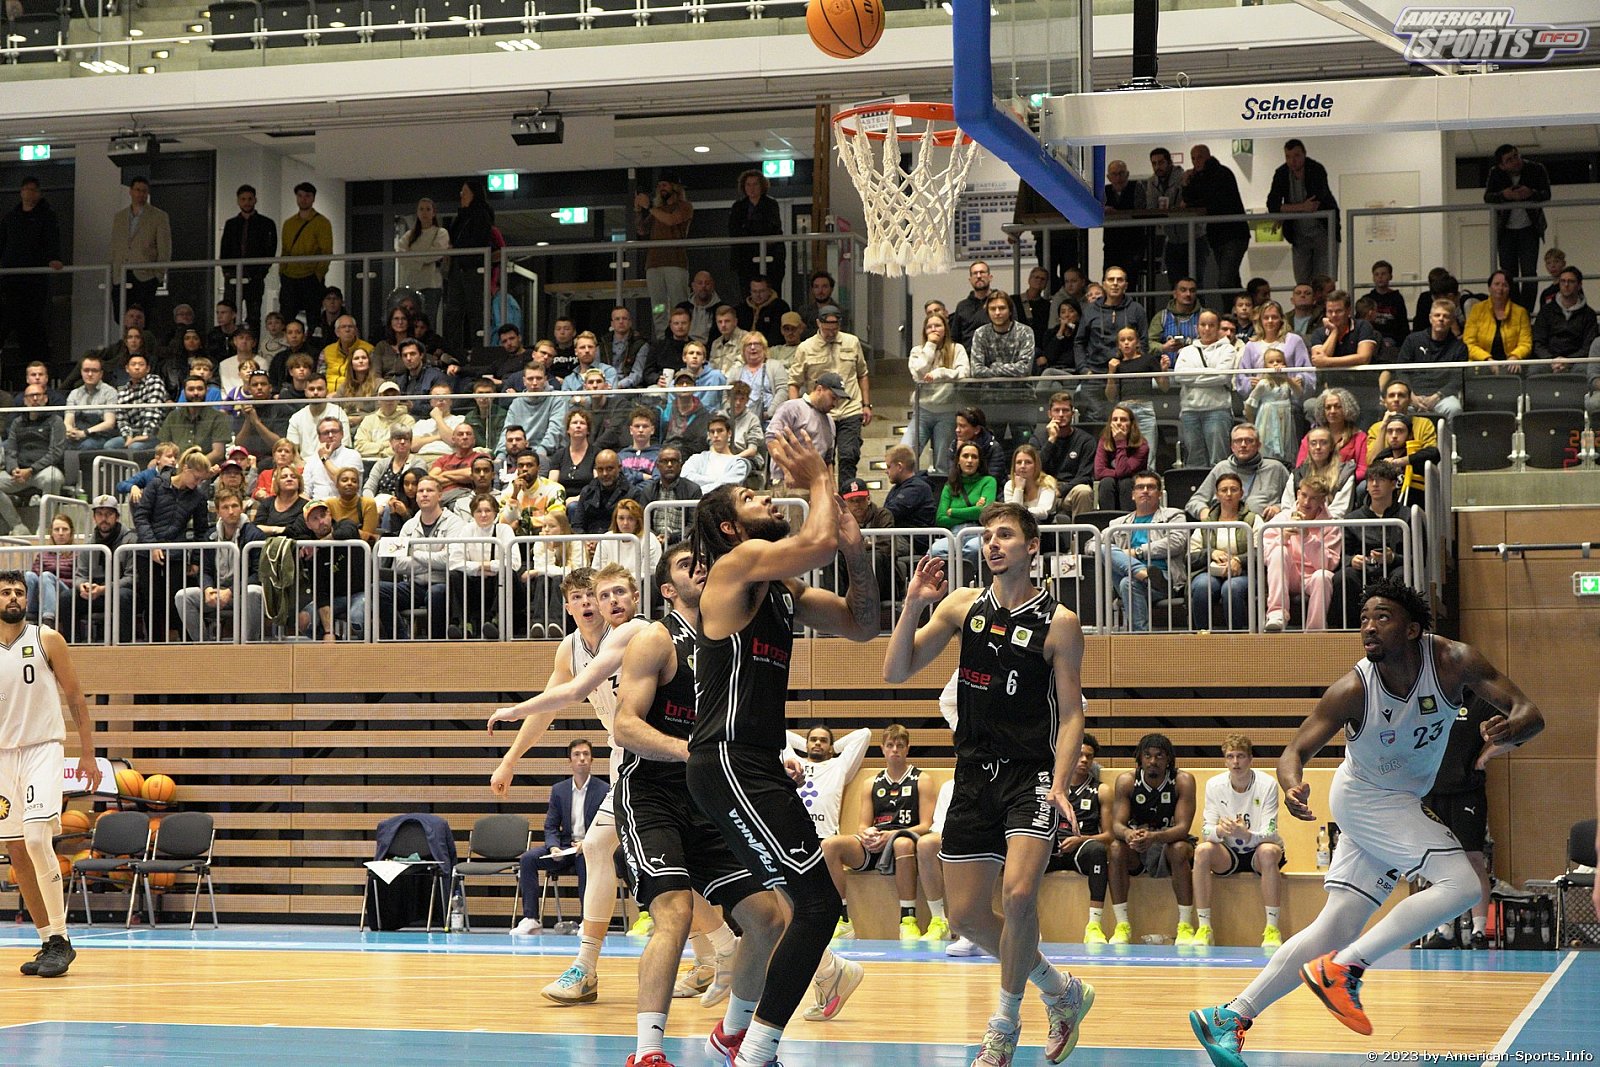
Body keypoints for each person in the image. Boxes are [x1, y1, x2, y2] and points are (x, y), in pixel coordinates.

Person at [1191, 577, 1544, 1063]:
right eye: (1364, 619)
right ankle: (1346, 969)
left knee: (1336, 926)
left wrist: (1512, 728)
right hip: (1366, 797)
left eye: (1383, 617)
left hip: (1396, 799)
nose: (1369, 627)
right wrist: (1292, 786)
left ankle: (1230, 1015)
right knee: (1462, 884)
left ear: (1413, 629)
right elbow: (1294, 751)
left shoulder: (1453, 661)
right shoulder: (1354, 688)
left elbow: (1531, 714)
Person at [684, 431, 880, 1066]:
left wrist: (856, 555)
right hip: (728, 759)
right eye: (751, 498)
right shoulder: (734, 566)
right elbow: (814, 542)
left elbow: (862, 625)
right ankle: (756, 1049)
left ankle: (735, 1037)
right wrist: (819, 479)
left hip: (754, 766)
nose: (767, 499)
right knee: (817, 904)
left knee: (787, 911)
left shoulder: (780, 591)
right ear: (728, 527)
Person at [884, 504, 1092, 1066]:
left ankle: (1003, 1026)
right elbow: (896, 671)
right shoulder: (960, 605)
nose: (992, 544)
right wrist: (913, 604)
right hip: (974, 776)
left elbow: (1072, 713)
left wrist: (1060, 783)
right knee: (967, 918)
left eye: (1005, 535)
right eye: (986, 536)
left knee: (1019, 896)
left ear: (1032, 546)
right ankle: (1061, 990)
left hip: (1031, 776)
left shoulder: (1060, 622)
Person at [491, 566, 742, 1007]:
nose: (593, 603)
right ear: (568, 607)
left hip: (659, 756)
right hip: (631, 756)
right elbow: (552, 706)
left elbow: (575, 693)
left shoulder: (635, 633)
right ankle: (715, 952)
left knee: (626, 853)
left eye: (601, 594)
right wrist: (511, 758)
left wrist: (512, 711)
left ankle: (598, 965)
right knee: (650, 860)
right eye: (582, 597)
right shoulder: (571, 649)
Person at [610, 542, 789, 1065]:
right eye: (687, 565)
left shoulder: (730, 640)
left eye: (703, 561)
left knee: (767, 920)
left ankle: (732, 1034)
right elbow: (625, 727)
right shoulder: (656, 639)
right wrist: (690, 751)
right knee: (675, 912)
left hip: (708, 798)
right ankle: (647, 1052)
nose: (701, 568)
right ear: (668, 589)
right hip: (653, 795)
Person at [0, 570, 100, 978]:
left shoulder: (47, 639)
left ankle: (61, 938)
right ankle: (46, 941)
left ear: (27, 600)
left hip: (43, 748)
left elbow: (75, 698)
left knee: (38, 837)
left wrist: (88, 754)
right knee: (17, 851)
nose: (12, 597)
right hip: (3, 757)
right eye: (5, 592)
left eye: (18, 592)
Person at [821, 724, 935, 942]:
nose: (895, 750)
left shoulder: (922, 779)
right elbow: (863, 825)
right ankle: (842, 920)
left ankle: (908, 921)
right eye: (890, 745)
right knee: (829, 845)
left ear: (907, 749)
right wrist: (867, 834)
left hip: (905, 838)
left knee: (902, 844)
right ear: (882, 749)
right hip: (877, 842)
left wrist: (893, 835)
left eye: (900, 745)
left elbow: (925, 825)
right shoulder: (871, 783)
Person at [1192, 735, 1286, 950]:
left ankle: (1272, 929)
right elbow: (1206, 830)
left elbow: (1271, 831)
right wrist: (1219, 830)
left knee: (1269, 851)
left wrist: (1247, 835)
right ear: (1225, 760)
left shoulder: (1267, 784)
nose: (1235, 762)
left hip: (1258, 852)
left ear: (1250, 759)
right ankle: (1204, 927)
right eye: (1230, 756)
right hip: (1229, 853)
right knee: (1202, 851)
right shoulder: (1214, 785)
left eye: (1241, 756)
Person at [1106, 732, 1198, 945]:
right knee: (1115, 848)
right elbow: (1117, 825)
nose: (1153, 761)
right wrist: (1129, 834)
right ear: (1139, 758)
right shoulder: (1127, 781)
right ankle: (1122, 926)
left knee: (1180, 849)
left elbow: (1183, 828)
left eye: (1159, 756)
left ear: (1169, 759)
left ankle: (1185, 926)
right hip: (1138, 846)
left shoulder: (1182, 781)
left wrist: (1154, 837)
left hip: (1168, 843)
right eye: (1147, 755)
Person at [509, 739, 608, 935]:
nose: (582, 758)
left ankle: (587, 921)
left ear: (592, 759)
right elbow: (551, 825)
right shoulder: (559, 790)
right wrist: (553, 847)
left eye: (586, 754)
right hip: (564, 846)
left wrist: (587, 843)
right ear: (569, 761)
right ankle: (531, 918)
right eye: (577, 754)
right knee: (528, 859)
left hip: (589, 847)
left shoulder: (604, 789)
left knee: (585, 860)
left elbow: (605, 825)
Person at [789, 305, 870, 485]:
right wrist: (797, 411)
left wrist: (866, 404)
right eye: (827, 329)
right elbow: (794, 382)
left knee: (849, 455)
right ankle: (825, 494)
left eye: (834, 329)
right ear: (818, 324)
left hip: (850, 409)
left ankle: (846, 495)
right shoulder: (805, 348)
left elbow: (862, 374)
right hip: (821, 412)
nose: (831, 333)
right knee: (823, 458)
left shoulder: (852, 342)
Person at [1044, 735, 1113, 944]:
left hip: (1081, 849)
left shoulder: (1101, 790)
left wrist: (1080, 840)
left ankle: (1094, 926)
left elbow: (1109, 835)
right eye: (1079, 755)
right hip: (1051, 848)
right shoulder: (1050, 788)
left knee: (1098, 851)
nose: (1084, 760)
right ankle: (1029, 925)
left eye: (1089, 757)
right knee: (1024, 853)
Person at [1103, 470, 1186, 633]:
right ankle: (1142, 573)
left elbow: (1176, 542)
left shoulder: (1173, 516)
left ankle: (1139, 638)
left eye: (1151, 487)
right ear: (1133, 494)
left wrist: (1138, 552)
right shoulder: (1118, 524)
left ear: (1160, 494)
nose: (1145, 491)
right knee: (1103, 548)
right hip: (1135, 578)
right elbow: (1090, 544)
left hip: (1164, 579)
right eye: (1140, 487)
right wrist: (1120, 555)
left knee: (1127, 583)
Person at [0, 177, 64, 376]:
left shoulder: (46, 216)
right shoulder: (11, 217)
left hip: (34, 282)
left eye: (33, 190)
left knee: (32, 324)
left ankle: (37, 368)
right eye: (26, 189)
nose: (29, 193)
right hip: (10, 281)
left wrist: (53, 258)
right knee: (8, 321)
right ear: (21, 192)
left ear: (39, 193)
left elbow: (52, 240)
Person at [1261, 477, 1342, 632]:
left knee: (1323, 576)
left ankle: (1315, 630)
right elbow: (1265, 556)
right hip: (1287, 573)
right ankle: (1277, 614)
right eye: (1304, 495)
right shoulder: (1282, 518)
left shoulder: (1331, 525)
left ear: (1322, 501)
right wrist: (1283, 538)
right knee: (1278, 551)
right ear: (1298, 494)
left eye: (1313, 498)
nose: (1306, 502)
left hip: (1312, 577)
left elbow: (1329, 564)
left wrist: (1308, 538)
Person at [1336, 459, 1407, 629]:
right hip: (1363, 571)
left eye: (1381, 480)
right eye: (1371, 480)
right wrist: (1352, 560)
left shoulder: (1408, 516)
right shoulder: (1352, 518)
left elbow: (1418, 557)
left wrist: (1393, 558)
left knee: (1402, 574)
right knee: (1344, 577)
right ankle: (1350, 629)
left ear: (1393, 484)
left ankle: (1395, 628)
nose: (1375, 484)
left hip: (1394, 569)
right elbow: (1341, 556)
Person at [1187, 472, 1260, 632]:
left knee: (1231, 587)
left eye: (1234, 489)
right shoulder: (1206, 522)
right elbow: (1190, 557)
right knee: (1202, 585)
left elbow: (1261, 551)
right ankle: (1202, 635)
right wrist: (1210, 553)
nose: (1228, 494)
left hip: (1244, 573)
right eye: (1223, 490)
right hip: (1210, 572)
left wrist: (1239, 560)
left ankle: (1235, 637)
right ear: (1216, 494)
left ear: (1241, 493)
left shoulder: (1253, 519)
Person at [1484, 144, 1551, 310]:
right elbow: (1488, 197)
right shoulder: (1495, 173)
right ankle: (1513, 311)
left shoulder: (1536, 169)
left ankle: (1526, 312)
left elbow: (1546, 194)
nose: (1516, 161)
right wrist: (1504, 195)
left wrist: (1531, 193)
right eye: (1509, 160)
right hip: (1505, 230)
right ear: (1502, 165)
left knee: (1529, 273)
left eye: (1516, 155)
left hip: (1530, 227)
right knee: (1508, 274)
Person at [1266, 140, 1339, 286]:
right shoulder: (1281, 173)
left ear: (1304, 154)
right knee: (1301, 281)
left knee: (1324, 282)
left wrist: (1285, 209)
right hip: (1298, 234)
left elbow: (1314, 203)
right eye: (1288, 157)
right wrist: (1300, 207)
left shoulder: (1316, 169)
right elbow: (1272, 204)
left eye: (1296, 156)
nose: (1292, 161)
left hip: (1324, 231)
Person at [1185, 423, 1292, 522]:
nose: (1243, 445)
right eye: (1238, 441)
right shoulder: (1221, 468)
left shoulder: (1276, 469)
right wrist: (1205, 513)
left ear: (1259, 445)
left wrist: (1278, 508)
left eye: (1249, 441)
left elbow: (1294, 501)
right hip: (1224, 530)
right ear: (1232, 446)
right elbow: (1194, 502)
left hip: (1264, 529)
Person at [1175, 310, 1240, 468]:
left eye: (1211, 325)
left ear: (1218, 328)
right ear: (1197, 327)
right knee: (1194, 460)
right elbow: (1179, 376)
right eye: (1203, 325)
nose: (1207, 329)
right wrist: (1210, 374)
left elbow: (1223, 377)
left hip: (1217, 410)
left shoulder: (1228, 349)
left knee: (1218, 460)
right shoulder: (1186, 351)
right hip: (1190, 411)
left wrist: (1193, 377)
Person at [1183, 145, 1249, 298]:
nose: (1196, 161)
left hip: (1233, 234)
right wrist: (1186, 183)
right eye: (1193, 158)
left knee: (1225, 282)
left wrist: (1190, 198)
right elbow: (1191, 199)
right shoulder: (1200, 176)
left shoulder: (1221, 174)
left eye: (1199, 157)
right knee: (1232, 280)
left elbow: (1213, 202)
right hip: (1218, 235)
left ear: (1208, 156)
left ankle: (1239, 308)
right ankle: (1239, 308)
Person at [1384, 299, 1467, 422]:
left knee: (1454, 408)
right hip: (1412, 394)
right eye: (1437, 315)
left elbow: (1458, 379)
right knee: (1395, 407)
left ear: (1452, 321)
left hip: (1442, 397)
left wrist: (1437, 396)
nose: (1441, 319)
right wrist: (1411, 395)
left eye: (1446, 316)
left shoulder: (1459, 347)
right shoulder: (1413, 340)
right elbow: (1401, 370)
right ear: (1430, 318)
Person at [0, 384, 66, 537]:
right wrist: (13, 469)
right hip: (19, 473)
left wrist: (31, 470)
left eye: (38, 395)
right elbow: (10, 450)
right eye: (31, 396)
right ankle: (17, 526)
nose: (35, 399)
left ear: (45, 398)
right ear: (25, 400)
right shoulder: (17, 422)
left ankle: (45, 528)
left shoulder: (55, 421)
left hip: (43, 471)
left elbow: (56, 452)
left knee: (53, 479)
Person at [906, 311, 969, 470]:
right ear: (924, 331)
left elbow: (964, 374)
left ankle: (943, 485)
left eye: (938, 326)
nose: (933, 329)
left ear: (945, 329)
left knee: (943, 461)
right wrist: (931, 346)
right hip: (922, 410)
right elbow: (919, 373)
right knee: (906, 452)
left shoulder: (957, 349)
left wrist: (941, 373)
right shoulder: (917, 351)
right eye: (929, 327)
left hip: (947, 411)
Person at [109, 177, 171, 325]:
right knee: (120, 317)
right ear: (130, 191)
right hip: (121, 274)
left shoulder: (159, 216)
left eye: (144, 191)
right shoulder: (120, 217)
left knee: (143, 318)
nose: (140, 194)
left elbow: (165, 248)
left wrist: (158, 275)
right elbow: (114, 246)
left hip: (145, 275)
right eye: (137, 190)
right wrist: (112, 273)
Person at [637, 178, 693, 339]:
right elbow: (642, 230)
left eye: (665, 184)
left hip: (675, 262)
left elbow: (671, 220)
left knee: (678, 303)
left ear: (675, 187)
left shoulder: (684, 206)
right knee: (658, 306)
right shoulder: (658, 210)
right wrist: (638, 210)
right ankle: (662, 338)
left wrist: (649, 207)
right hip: (653, 263)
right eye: (659, 185)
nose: (661, 188)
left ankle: (682, 337)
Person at [445, 179, 495, 350]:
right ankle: (454, 350)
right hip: (458, 269)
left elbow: (478, 240)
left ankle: (479, 350)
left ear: (474, 194)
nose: (461, 196)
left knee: (476, 312)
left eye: (465, 192)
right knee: (454, 312)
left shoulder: (481, 215)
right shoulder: (460, 218)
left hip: (472, 269)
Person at [933, 441, 997, 575]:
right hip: (954, 534)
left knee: (973, 549)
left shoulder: (988, 481)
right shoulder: (949, 486)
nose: (969, 460)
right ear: (958, 460)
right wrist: (973, 510)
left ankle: (967, 581)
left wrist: (953, 512)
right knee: (935, 550)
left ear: (979, 462)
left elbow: (984, 512)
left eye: (974, 457)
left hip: (978, 532)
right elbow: (940, 519)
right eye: (965, 456)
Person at [278, 182, 333, 331]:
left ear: (313, 198)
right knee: (286, 317)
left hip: (310, 276)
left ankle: (312, 343)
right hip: (289, 276)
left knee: (313, 318)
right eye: (300, 196)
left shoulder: (322, 222)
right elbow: (285, 250)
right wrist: (282, 271)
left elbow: (326, 251)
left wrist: (318, 275)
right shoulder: (289, 223)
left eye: (307, 196)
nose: (303, 199)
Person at [395, 197, 451, 325]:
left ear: (433, 213)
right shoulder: (409, 235)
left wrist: (413, 257)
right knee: (409, 321)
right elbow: (400, 255)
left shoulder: (440, 233)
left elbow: (435, 254)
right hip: (411, 284)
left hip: (431, 285)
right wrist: (423, 261)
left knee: (428, 322)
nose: (424, 212)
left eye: (428, 209)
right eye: (421, 209)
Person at [1282, 426, 1355, 522]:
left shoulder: (1345, 472)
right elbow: (1287, 506)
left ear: (1331, 447)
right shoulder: (1298, 473)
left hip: (1330, 526)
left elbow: (1340, 510)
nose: (1318, 447)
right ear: (1308, 447)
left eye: (1324, 443)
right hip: (1298, 523)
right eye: (1313, 443)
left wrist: (1316, 523)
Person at [1532, 266, 1598, 372]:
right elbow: (1538, 342)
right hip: (1549, 361)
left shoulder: (1589, 315)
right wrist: (1552, 360)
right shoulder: (1546, 311)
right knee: (1535, 370)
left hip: (1577, 362)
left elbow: (1588, 346)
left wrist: (1569, 361)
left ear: (1579, 285)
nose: (1566, 285)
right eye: (1562, 281)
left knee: (1583, 370)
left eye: (1571, 281)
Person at [1244, 348, 1302, 466]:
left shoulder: (1287, 383)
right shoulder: (1263, 383)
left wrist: (1287, 378)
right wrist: (1251, 424)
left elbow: (1298, 393)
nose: (1275, 364)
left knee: (1286, 445)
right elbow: (1250, 404)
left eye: (1279, 361)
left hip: (1285, 420)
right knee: (1268, 446)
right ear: (1265, 366)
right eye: (1271, 362)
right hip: (1268, 420)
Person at [1463, 270, 1532, 367]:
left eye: (1505, 285)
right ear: (1489, 287)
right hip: (1482, 364)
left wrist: (1515, 357)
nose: (1500, 288)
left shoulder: (1521, 312)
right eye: (1496, 284)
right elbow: (1468, 343)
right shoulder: (1476, 310)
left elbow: (1526, 344)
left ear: (1509, 289)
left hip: (1511, 365)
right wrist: (1487, 359)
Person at [1094, 404, 1148, 512]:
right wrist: (1117, 474)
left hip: (1131, 487)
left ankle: (1129, 521)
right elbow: (1099, 472)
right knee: (1106, 482)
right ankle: (1107, 520)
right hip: (1111, 485)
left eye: (1123, 420)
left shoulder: (1142, 445)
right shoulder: (1104, 441)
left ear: (1131, 424)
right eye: (1115, 419)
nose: (1118, 423)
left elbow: (1123, 472)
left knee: (1126, 482)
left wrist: (1120, 442)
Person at [1003, 444, 1056, 521]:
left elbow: (1043, 512)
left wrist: (1021, 512)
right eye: (1019, 462)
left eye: (1028, 462)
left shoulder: (1047, 482)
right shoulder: (1009, 485)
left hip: (1045, 525)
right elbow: (1013, 515)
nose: (1023, 466)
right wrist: (1019, 489)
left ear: (1036, 465)